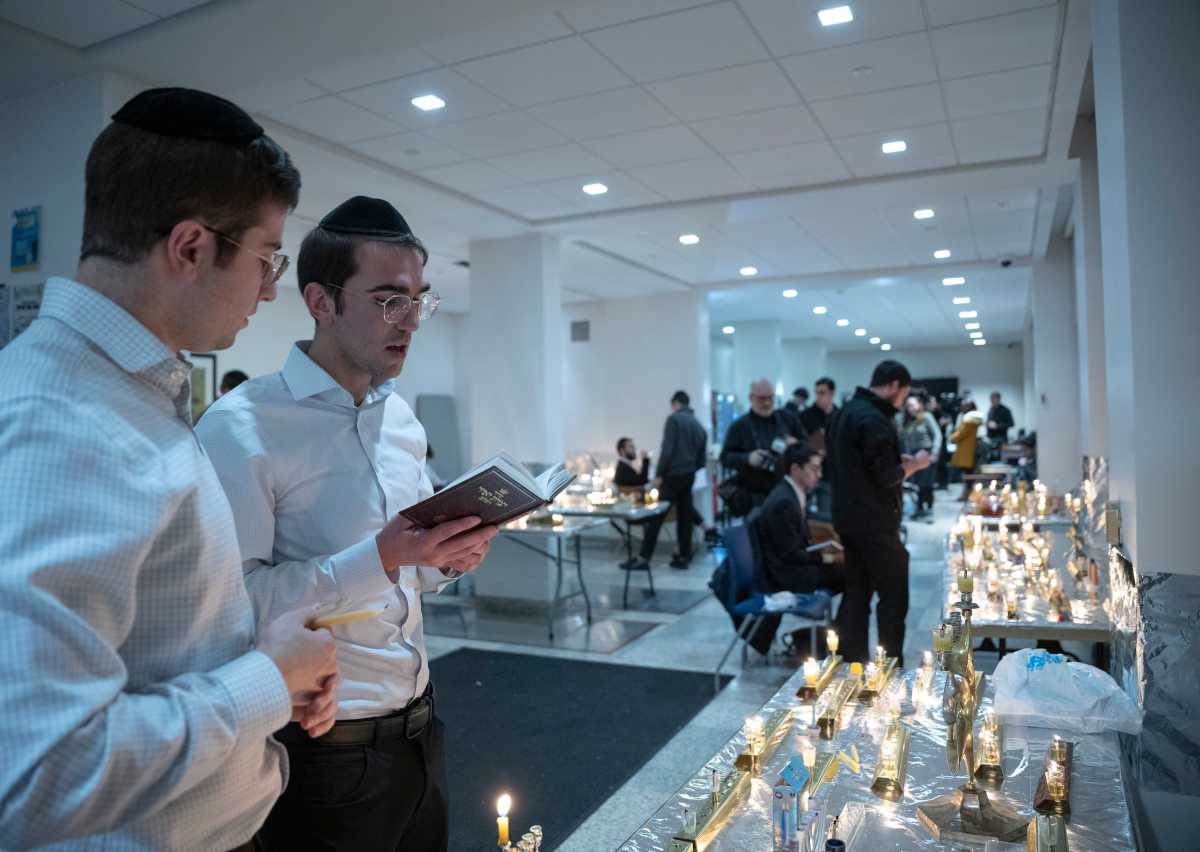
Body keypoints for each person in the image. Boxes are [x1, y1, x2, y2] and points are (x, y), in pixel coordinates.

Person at [0, 87, 339, 851]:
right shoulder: (64, 422)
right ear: (189, 248)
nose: (270, 289)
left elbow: (153, 641)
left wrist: (266, 661)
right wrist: (264, 681)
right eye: (266, 259)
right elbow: (36, 771)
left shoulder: (131, 394)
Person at [197, 196, 497, 852]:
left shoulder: (402, 421)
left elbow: (412, 572)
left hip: (422, 726)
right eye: (388, 300)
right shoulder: (241, 427)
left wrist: (448, 557)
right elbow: (231, 607)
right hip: (322, 747)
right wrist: (381, 556)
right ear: (320, 302)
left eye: (418, 300)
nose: (410, 321)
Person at [826, 360, 931, 666]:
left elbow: (858, 465)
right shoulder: (873, 418)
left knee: (857, 591)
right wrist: (915, 465)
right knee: (893, 594)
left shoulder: (845, 412)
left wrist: (897, 461)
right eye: (904, 394)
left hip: (847, 518)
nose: (902, 401)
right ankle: (889, 666)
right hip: (874, 520)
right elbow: (886, 476)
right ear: (895, 386)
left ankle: (852, 665)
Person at [747, 444, 846, 654]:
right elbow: (790, 554)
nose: (819, 475)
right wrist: (829, 558)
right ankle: (840, 640)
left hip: (789, 566)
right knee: (853, 575)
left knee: (851, 572)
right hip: (785, 575)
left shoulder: (791, 493)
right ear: (795, 469)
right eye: (814, 469)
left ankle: (838, 636)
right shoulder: (784, 501)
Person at [622, 391, 709, 570]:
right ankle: (683, 557)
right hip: (689, 475)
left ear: (675, 403)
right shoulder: (698, 425)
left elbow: (667, 450)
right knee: (685, 517)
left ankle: (644, 557)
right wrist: (691, 468)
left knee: (657, 515)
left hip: (673, 475)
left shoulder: (674, 420)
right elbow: (702, 458)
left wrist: (659, 474)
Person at [720, 378, 805, 514]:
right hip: (755, 497)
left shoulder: (788, 420)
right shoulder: (740, 426)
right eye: (762, 398)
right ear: (751, 398)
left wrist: (796, 445)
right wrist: (748, 458)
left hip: (788, 492)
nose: (767, 403)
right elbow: (725, 458)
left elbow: (806, 447)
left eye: (770, 398)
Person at [900, 394, 942, 521]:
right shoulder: (909, 421)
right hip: (913, 455)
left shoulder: (926, 416)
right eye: (908, 406)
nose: (910, 408)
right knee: (917, 483)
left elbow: (937, 435)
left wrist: (934, 452)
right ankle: (919, 508)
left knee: (926, 483)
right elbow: (904, 438)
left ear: (919, 405)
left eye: (912, 405)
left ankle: (928, 509)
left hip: (926, 453)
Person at [950, 402, 984, 500]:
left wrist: (951, 437)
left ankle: (967, 494)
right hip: (972, 449)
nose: (962, 408)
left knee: (967, 474)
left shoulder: (969, 419)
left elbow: (961, 433)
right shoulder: (975, 419)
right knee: (970, 473)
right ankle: (969, 494)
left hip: (966, 450)